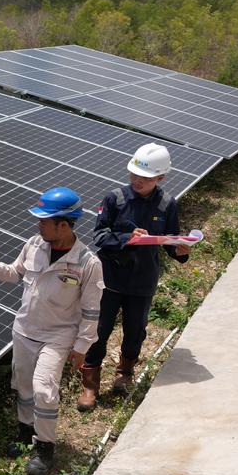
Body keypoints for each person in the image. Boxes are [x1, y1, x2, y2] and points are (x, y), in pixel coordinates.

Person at [0, 187, 104, 475]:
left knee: (44, 389)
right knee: (23, 385)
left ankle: (44, 447)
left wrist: (82, 347)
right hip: (25, 329)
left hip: (57, 336)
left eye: (44, 220)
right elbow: (15, 273)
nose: (38, 224)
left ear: (64, 224)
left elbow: (91, 310)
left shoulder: (87, 263)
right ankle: (26, 432)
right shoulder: (34, 245)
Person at [77, 143, 190, 411]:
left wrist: (180, 250)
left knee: (135, 331)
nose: (138, 180)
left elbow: (170, 239)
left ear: (160, 178)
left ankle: (124, 374)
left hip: (142, 280)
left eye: (146, 177)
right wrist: (127, 238)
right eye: (134, 175)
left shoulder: (166, 204)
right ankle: (90, 387)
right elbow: (99, 236)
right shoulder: (114, 199)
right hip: (109, 279)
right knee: (98, 331)